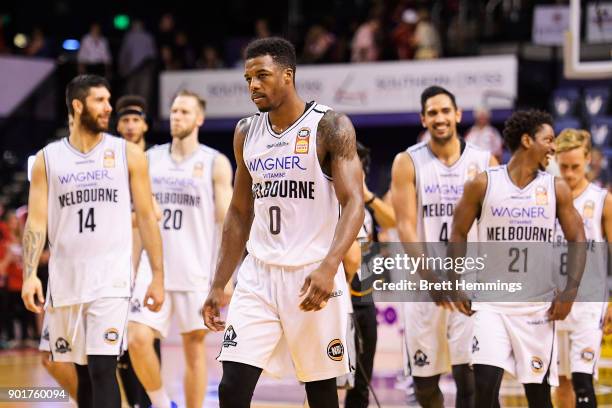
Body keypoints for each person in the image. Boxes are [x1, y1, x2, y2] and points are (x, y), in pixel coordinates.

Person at [202, 37, 363, 408]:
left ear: (288, 75)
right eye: (247, 78)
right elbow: (239, 213)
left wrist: (329, 266)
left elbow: (354, 202)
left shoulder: (330, 125)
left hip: (312, 274)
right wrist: (218, 283)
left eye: (262, 75)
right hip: (258, 275)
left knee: (321, 392)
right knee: (231, 388)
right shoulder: (246, 132)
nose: (253, 85)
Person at [21, 74, 164, 408]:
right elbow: (37, 221)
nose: (108, 108)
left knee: (102, 368)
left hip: (111, 281)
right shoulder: (47, 159)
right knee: (81, 373)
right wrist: (29, 274)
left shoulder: (127, 154)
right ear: (77, 105)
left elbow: (146, 217)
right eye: (100, 100)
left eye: (108, 101)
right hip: (66, 281)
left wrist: (158, 275)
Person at [450, 110, 586, 407]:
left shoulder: (555, 188)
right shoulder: (483, 184)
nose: (553, 147)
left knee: (538, 398)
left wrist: (571, 290)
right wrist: (455, 281)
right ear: (527, 140)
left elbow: (578, 239)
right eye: (548, 140)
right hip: (491, 305)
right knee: (483, 390)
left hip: (536, 308)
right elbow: (457, 233)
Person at [391, 85, 497, 408]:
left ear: (458, 115)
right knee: (424, 386)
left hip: (469, 283)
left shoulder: (483, 161)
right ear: (424, 119)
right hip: (425, 285)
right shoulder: (407, 162)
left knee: (470, 381)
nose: (440, 118)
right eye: (432, 112)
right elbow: (406, 226)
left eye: (445, 111)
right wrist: (433, 279)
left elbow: (493, 227)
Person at [128, 90, 233, 408]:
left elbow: (228, 224)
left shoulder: (214, 162)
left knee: (194, 349)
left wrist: (225, 277)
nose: (177, 117)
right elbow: (138, 221)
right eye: (174, 111)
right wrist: (131, 269)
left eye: (185, 112)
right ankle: (161, 402)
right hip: (153, 267)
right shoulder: (149, 158)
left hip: (196, 269)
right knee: (136, 339)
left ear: (199, 118)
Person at [552, 129, 611, 408]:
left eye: (575, 166)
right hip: (552, 302)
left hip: (589, 302)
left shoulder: (602, 200)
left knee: (582, 382)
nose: (570, 173)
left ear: (588, 159)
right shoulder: (546, 199)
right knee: (560, 382)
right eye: (563, 166)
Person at [115, 95, 162, 408]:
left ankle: (154, 401)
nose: (131, 126)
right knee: (116, 344)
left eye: (136, 120)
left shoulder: (156, 161)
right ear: (117, 125)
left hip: (148, 258)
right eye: (125, 120)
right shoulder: (110, 160)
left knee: (144, 337)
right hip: (115, 258)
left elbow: (154, 214)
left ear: (145, 125)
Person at [345, 141, 396, 408]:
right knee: (324, 382)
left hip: (366, 300)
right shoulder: (331, 203)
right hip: (339, 302)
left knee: (361, 386)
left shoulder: (366, 206)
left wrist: (366, 195)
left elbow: (392, 220)